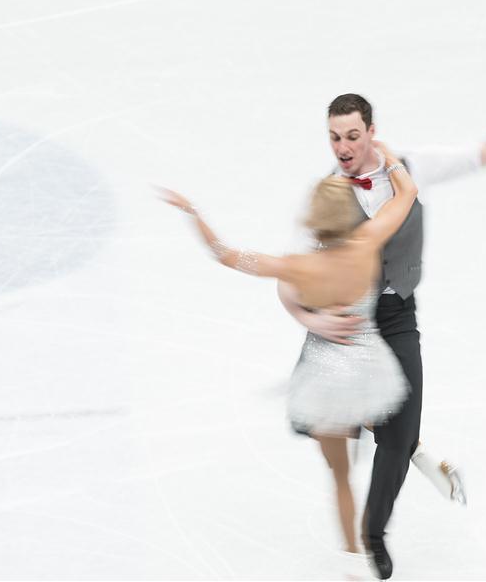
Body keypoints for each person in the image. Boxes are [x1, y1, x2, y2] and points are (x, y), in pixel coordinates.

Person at [277, 82, 486, 579]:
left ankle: (373, 534)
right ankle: (374, 507)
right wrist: (311, 318)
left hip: (396, 315)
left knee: (399, 431)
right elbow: (287, 279)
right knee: (340, 440)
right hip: (347, 323)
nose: (343, 147)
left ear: (372, 131)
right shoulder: (326, 196)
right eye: (334, 137)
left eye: (352, 135)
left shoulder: (413, 167)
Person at [160, 141, 428, 559]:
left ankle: (352, 557)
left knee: (340, 476)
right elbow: (407, 193)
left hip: (325, 382)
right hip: (368, 370)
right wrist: (388, 158)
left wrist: (193, 213)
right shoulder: (368, 242)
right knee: (385, 420)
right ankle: (405, 443)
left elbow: (225, 255)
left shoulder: (299, 266)